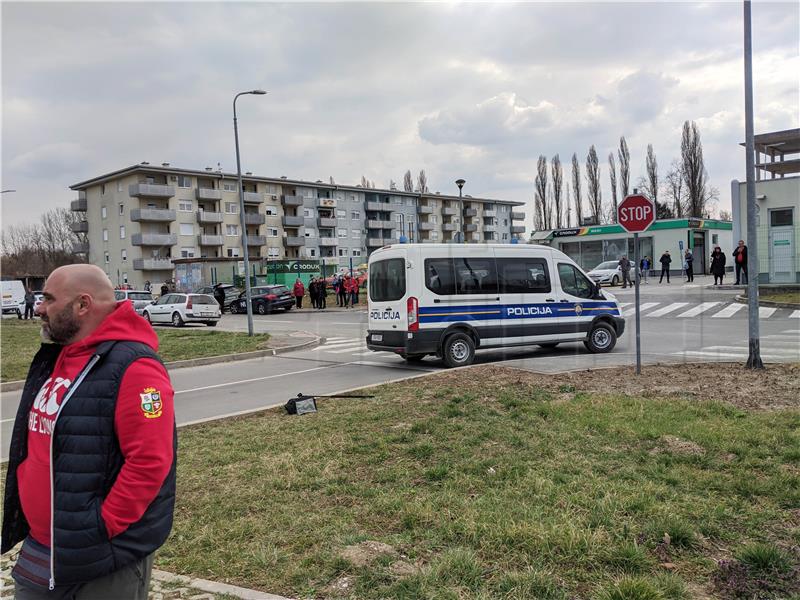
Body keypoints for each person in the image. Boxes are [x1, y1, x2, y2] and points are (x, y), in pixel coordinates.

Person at [2, 264, 176, 599]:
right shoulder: (58, 357)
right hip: (44, 546)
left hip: (99, 555)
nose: (38, 307)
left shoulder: (135, 368)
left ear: (83, 305)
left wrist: (102, 525)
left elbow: (150, 462)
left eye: (49, 299)